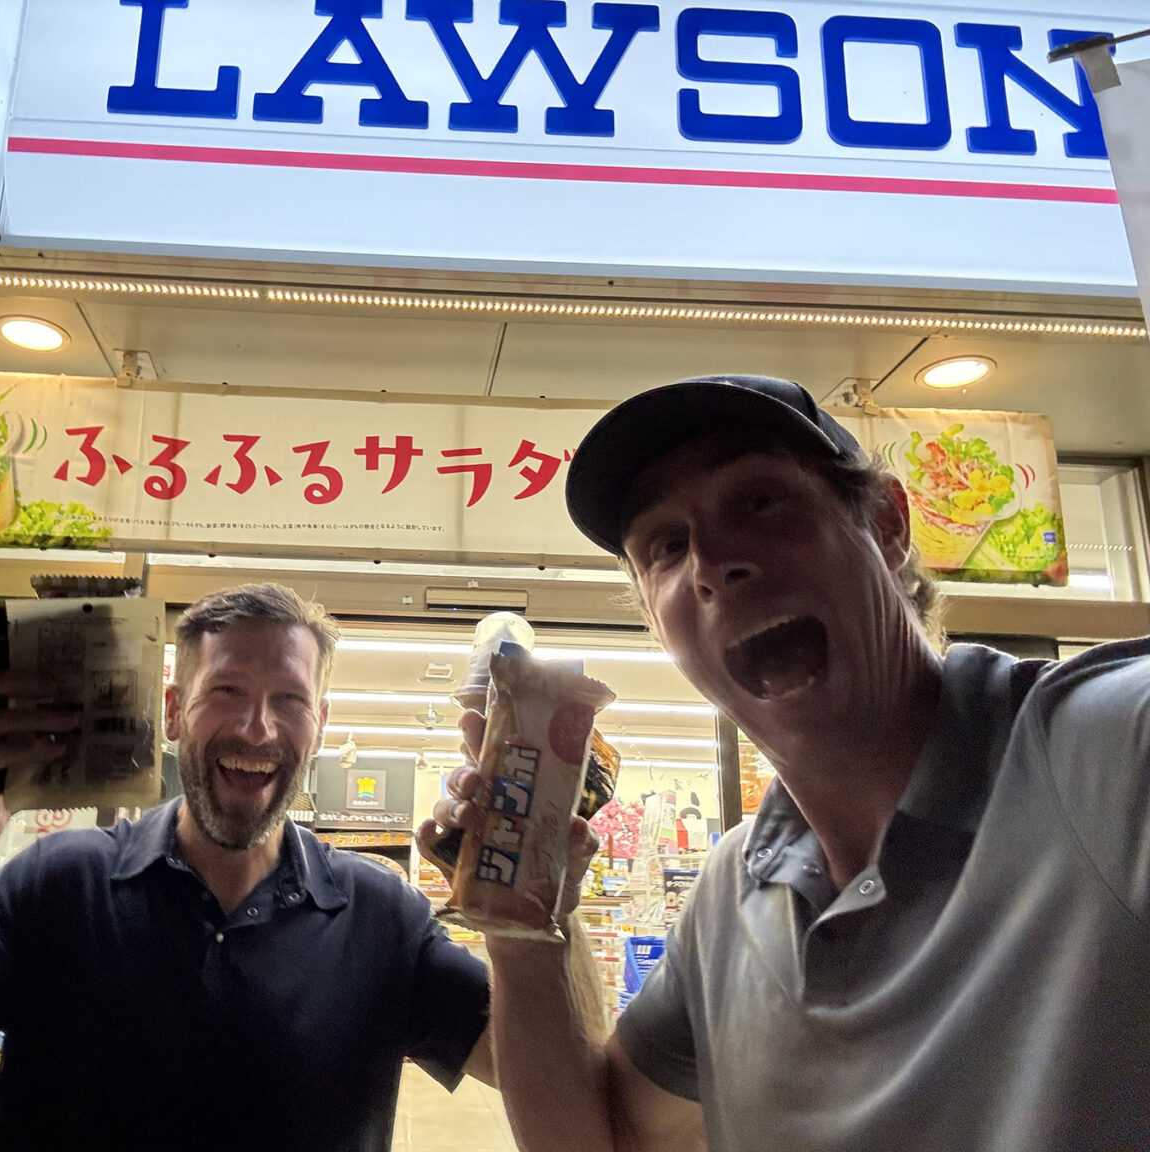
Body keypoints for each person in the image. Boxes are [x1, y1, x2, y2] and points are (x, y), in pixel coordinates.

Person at [426, 375, 1150, 1152]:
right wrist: (523, 911)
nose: (712, 563)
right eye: (665, 547)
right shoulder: (732, 901)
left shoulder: (1102, 755)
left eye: (760, 501)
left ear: (889, 524)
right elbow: (600, 1139)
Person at [0, 583, 492, 1150]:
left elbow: (572, 1101)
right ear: (175, 712)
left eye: (289, 701)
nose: (257, 729)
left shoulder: (382, 917)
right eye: (227, 692)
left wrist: (526, 889)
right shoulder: (57, 887)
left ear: (321, 726)